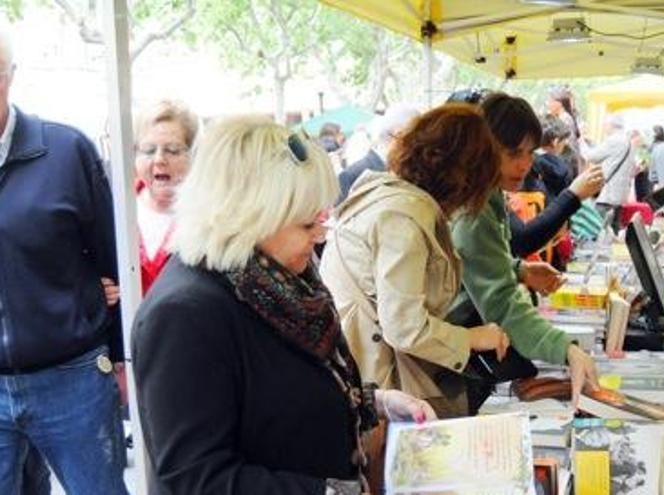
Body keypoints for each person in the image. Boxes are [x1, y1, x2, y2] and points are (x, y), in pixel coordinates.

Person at [133, 115, 434, 493]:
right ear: (249, 218)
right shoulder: (184, 316)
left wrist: (375, 401)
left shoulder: (275, 276)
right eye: (307, 225)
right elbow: (196, 478)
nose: (319, 235)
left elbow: (284, 395)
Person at [321, 104, 510, 418]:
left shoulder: (388, 197)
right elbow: (404, 326)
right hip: (379, 380)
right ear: (467, 178)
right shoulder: (404, 217)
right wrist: (472, 338)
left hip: (360, 371)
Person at [0, 33, 127, 494]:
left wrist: (120, 357)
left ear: (10, 77)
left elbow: (111, 257)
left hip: (73, 379)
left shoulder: (67, 150)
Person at [447, 92, 600, 413]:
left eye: (530, 152)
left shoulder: (484, 194)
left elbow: (476, 263)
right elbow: (501, 304)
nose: (525, 164)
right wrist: (567, 349)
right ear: (482, 148)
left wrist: (518, 269)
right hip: (448, 366)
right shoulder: (475, 210)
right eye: (513, 152)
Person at [133, 100, 199, 294]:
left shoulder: (211, 218)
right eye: (149, 150)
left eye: (172, 150)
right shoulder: (113, 212)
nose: (159, 159)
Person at [336, 103, 419, 203]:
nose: (419, 146)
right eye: (416, 139)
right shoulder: (350, 176)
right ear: (399, 135)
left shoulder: (410, 171)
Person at [584, 115, 636, 231]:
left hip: (608, 194)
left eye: (605, 125)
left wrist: (582, 142)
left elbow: (592, 157)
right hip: (621, 193)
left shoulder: (613, 140)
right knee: (613, 228)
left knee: (597, 228)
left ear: (611, 125)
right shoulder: (628, 141)